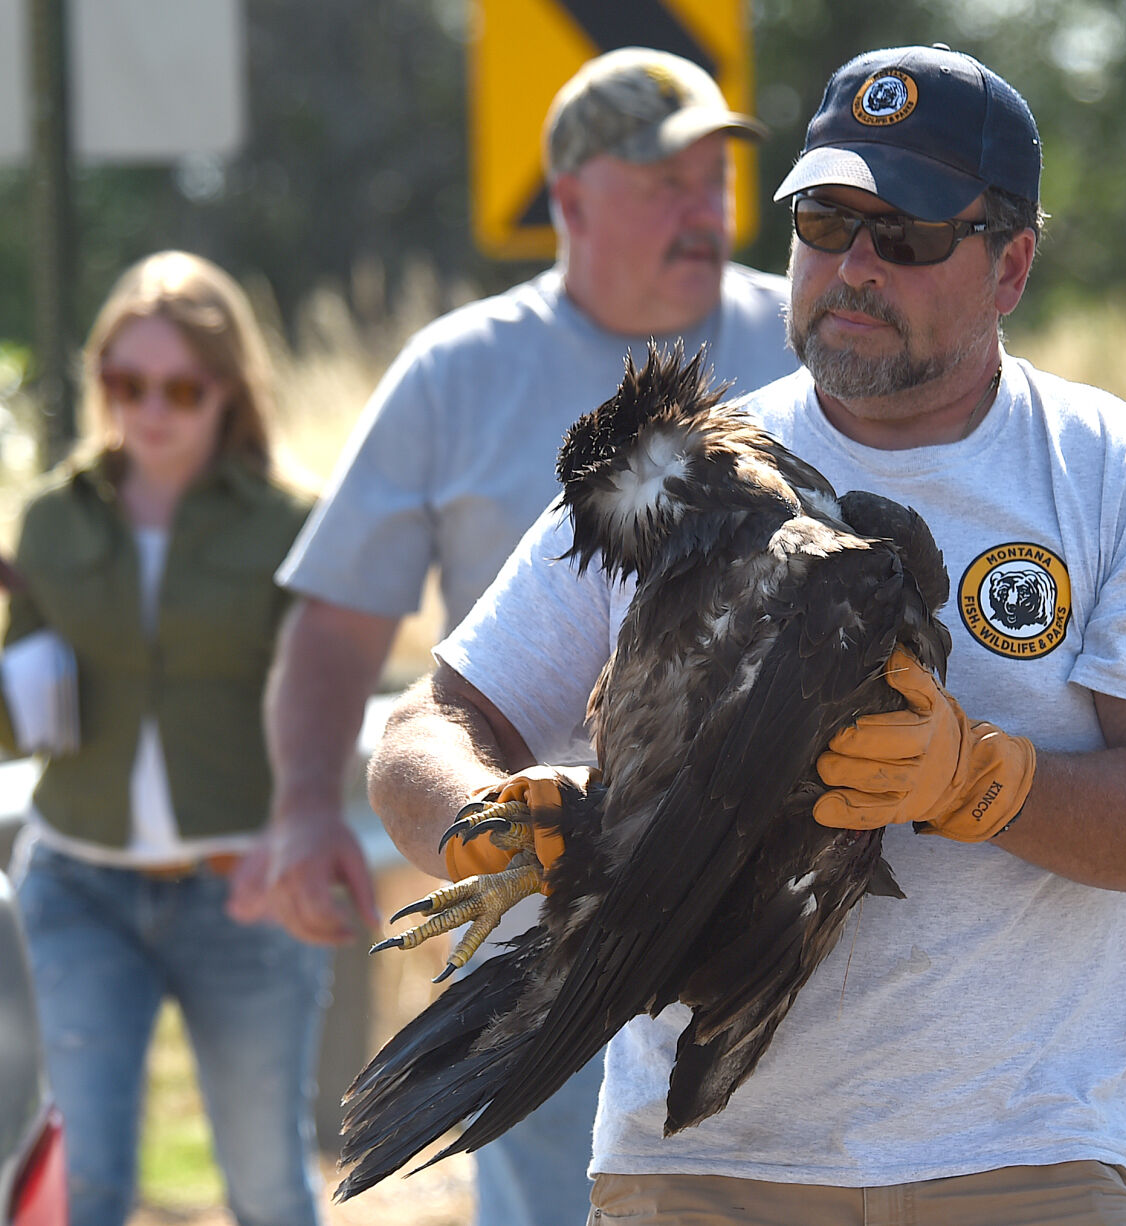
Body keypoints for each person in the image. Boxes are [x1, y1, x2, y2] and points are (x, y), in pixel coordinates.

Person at [366, 44, 1126, 1225]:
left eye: (901, 235)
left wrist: (986, 780)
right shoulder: (681, 471)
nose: (851, 266)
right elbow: (423, 730)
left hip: (1018, 1161)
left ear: (1009, 264)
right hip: (697, 1168)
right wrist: (485, 821)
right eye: (823, 219)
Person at [227, 45, 797, 1226]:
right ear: (570, 197)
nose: (705, 209)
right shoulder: (457, 373)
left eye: (717, 181)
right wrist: (301, 807)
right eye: (666, 182)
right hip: (550, 917)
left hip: (773, 911)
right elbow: (336, 625)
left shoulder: (809, 350)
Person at [3, 251, 324, 1226]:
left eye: (181, 386)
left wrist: (296, 831)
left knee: (267, 1184)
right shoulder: (54, 521)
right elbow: (19, 714)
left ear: (227, 389)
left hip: (245, 890)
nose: (150, 409)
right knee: (89, 1177)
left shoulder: (293, 524)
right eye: (125, 383)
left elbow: (322, 704)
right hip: (79, 885)